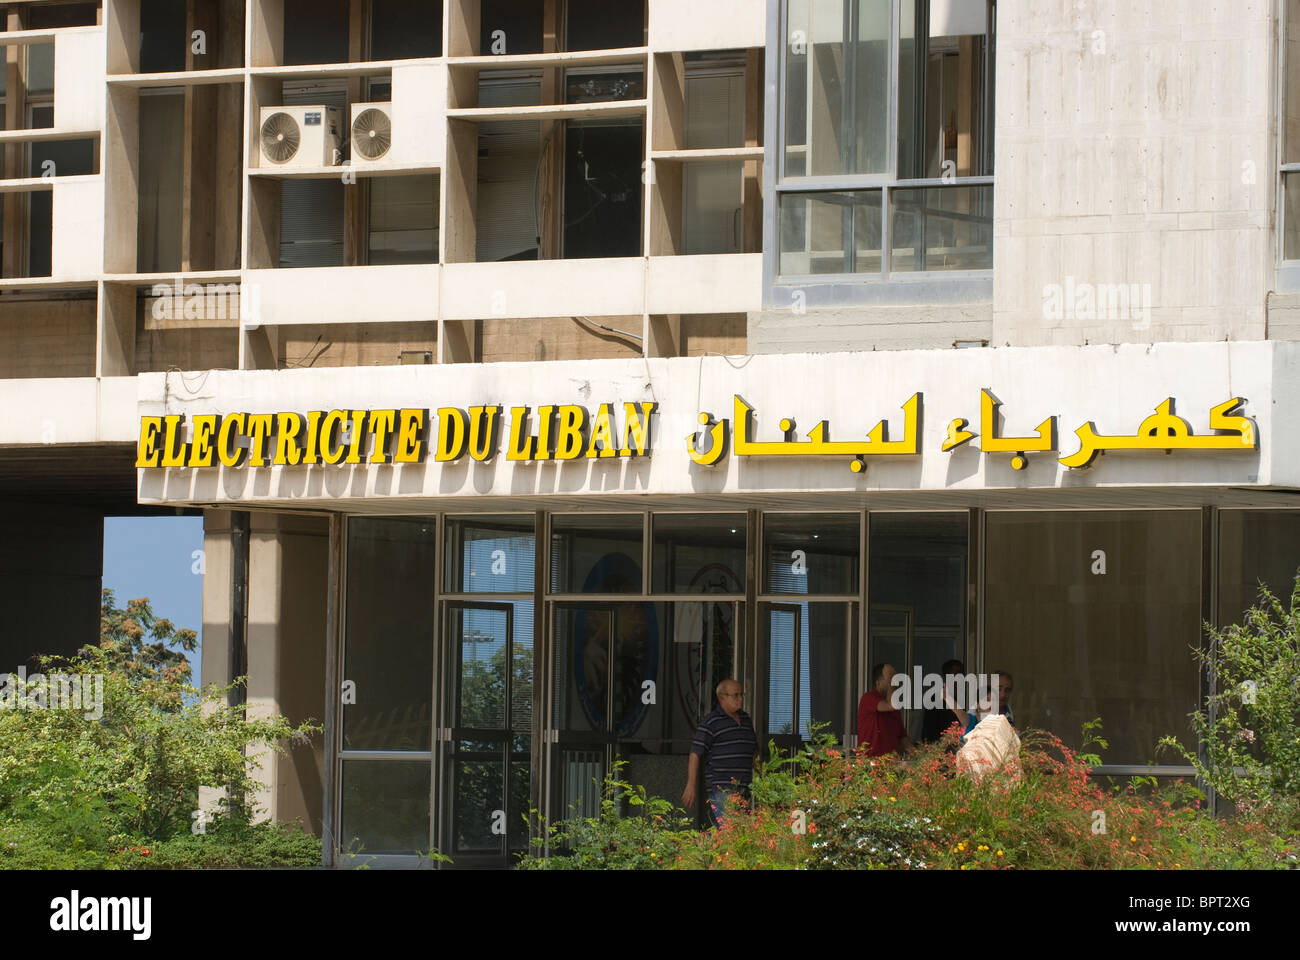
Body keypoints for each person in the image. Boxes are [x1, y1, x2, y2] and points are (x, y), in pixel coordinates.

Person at [683, 678, 758, 828]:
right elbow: (695, 753)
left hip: (743, 787)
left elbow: (753, 750)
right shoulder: (711, 722)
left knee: (740, 833)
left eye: (741, 695)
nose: (740, 699)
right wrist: (691, 784)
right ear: (722, 697)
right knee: (730, 831)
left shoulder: (746, 719)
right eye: (735, 695)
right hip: (722, 787)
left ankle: (707, 846)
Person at [857, 663, 912, 757]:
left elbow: (903, 738)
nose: (895, 682)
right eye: (890, 678)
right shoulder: (868, 698)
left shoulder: (895, 708)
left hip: (891, 763)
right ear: (878, 682)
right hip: (870, 761)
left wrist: (920, 757)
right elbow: (889, 706)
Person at [921, 658, 966, 744]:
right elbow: (929, 732)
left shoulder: (963, 698)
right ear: (945, 678)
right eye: (955, 675)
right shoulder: (936, 699)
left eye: (961, 675)